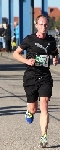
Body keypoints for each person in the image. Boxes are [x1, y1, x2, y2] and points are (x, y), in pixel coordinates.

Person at [13, 14, 59, 148]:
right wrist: (27, 61)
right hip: (31, 77)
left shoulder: (51, 40)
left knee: (44, 104)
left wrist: (55, 58)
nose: (44, 27)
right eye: (41, 24)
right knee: (33, 109)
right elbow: (16, 54)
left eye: (46, 25)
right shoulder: (29, 39)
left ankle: (44, 136)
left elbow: (55, 52)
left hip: (45, 76)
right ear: (36, 25)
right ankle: (29, 111)